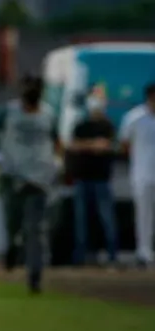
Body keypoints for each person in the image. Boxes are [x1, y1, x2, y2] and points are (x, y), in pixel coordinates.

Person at [0, 74, 61, 293]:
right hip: (12, 176)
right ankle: (13, 246)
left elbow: (57, 140)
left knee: (35, 228)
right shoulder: (8, 111)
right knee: (13, 223)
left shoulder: (48, 114)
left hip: (40, 178)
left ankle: (35, 275)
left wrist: (58, 165)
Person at [65, 91, 118, 266]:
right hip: (83, 179)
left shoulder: (108, 126)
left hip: (102, 179)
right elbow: (72, 146)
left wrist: (86, 145)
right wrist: (93, 145)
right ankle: (80, 257)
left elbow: (105, 146)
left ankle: (112, 256)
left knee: (107, 219)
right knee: (81, 222)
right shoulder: (81, 126)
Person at [119, 83, 155, 269]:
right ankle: (144, 251)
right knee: (144, 214)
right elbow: (124, 143)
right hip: (142, 173)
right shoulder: (135, 117)